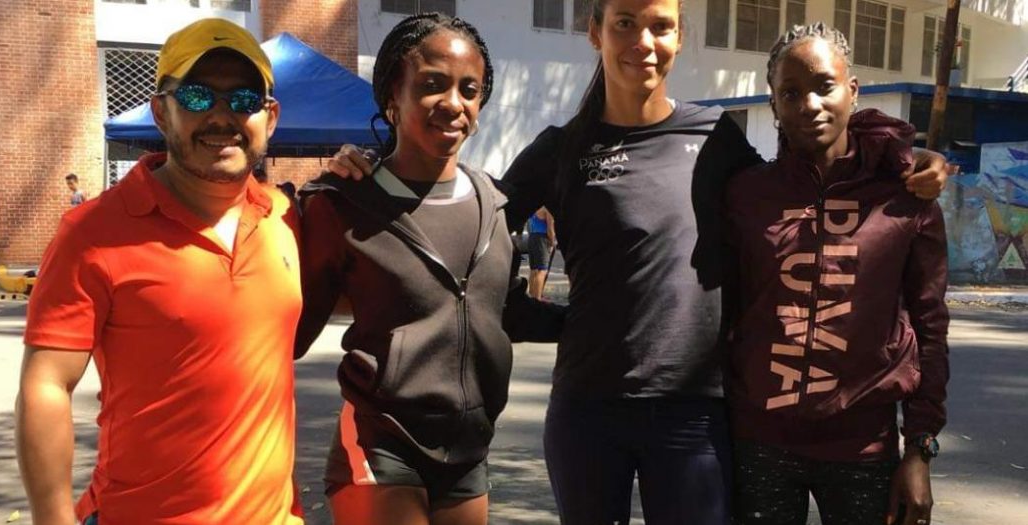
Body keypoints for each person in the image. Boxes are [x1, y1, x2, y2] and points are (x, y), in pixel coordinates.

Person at [323, 1, 948, 522]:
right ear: (595, 31)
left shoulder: (716, 137)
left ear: (678, 36)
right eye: (624, 22)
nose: (642, 41)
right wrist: (378, 168)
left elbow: (796, 185)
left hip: (697, 414)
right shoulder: (562, 149)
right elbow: (473, 225)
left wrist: (894, 152)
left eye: (660, 25)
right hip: (588, 412)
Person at [16, 18, 303, 525]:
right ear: (160, 111)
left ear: (271, 117)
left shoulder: (284, 216)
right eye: (196, 96)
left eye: (244, 99)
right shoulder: (93, 232)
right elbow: (47, 387)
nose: (222, 116)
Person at [294, 13, 560, 525]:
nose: (454, 103)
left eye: (470, 89)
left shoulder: (493, 203)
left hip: (468, 452)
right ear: (392, 97)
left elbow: (504, 313)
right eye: (432, 84)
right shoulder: (342, 203)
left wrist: (597, 319)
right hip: (380, 445)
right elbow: (288, 330)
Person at [724, 23, 949, 525]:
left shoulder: (907, 195)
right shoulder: (745, 194)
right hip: (760, 443)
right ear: (773, 103)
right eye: (790, 93)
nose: (809, 104)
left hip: (862, 448)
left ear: (852, 90)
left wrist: (920, 448)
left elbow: (931, 327)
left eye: (824, 86)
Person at [526, 206, 555, 300]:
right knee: (542, 271)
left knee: (534, 270)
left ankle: (531, 297)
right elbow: (550, 229)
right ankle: (537, 299)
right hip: (542, 239)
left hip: (532, 237)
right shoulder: (547, 208)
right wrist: (553, 242)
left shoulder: (534, 207)